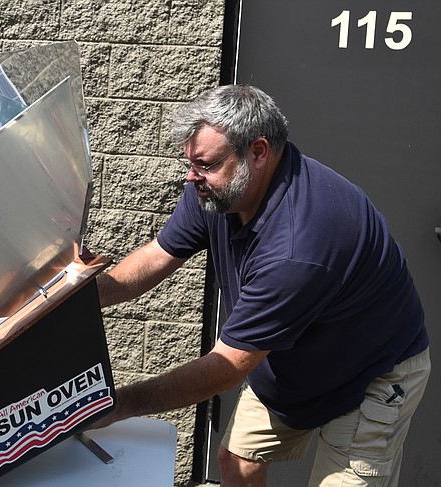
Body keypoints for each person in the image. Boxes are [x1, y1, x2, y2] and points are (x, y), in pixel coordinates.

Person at [93, 85, 430, 486]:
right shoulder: (217, 191)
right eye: (191, 163)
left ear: (258, 151)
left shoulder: (297, 246)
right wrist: (77, 299)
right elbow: (158, 255)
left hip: (373, 373)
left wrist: (122, 404)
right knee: (237, 462)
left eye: (206, 164)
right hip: (299, 361)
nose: (191, 176)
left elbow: (227, 367)